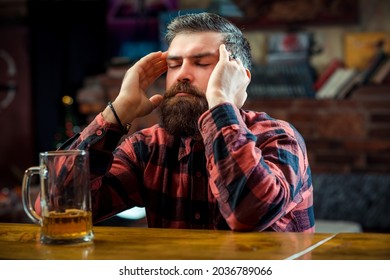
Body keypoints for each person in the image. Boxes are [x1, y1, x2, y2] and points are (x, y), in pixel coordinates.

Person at [53, 12, 315, 232]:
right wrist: (118, 111)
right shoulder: (148, 147)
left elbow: (248, 215)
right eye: (174, 65)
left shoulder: (278, 138)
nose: (182, 76)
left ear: (239, 78)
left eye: (201, 63)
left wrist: (221, 101)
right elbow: (58, 208)